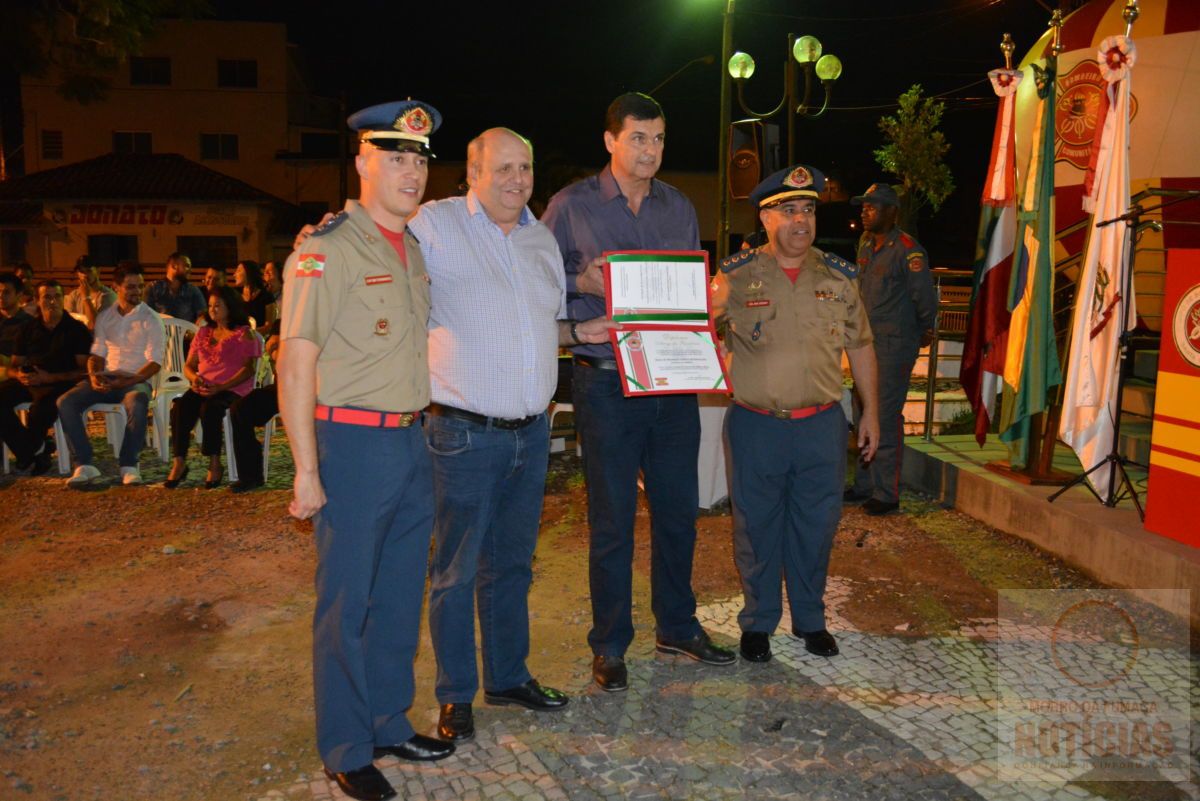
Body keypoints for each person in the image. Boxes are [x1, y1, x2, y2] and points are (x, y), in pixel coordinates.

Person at [408, 127, 615, 741]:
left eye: (524, 167)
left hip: (531, 433)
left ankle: (506, 676)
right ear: (472, 172)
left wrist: (582, 334)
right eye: (502, 168)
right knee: (456, 569)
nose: (516, 179)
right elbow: (376, 238)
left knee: (514, 567)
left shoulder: (541, 240)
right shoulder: (435, 224)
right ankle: (455, 694)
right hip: (462, 433)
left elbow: (543, 325)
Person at [277, 99, 452, 801]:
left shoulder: (411, 248)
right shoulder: (327, 248)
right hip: (349, 443)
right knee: (346, 603)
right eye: (396, 156)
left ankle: (386, 719)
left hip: (411, 441)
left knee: (399, 595)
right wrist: (307, 471)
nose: (411, 171)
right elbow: (295, 362)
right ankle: (346, 746)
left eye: (419, 159)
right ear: (362, 162)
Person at [542, 92, 735, 693]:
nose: (650, 150)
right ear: (610, 141)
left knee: (680, 512)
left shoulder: (678, 208)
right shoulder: (569, 207)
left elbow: (685, 296)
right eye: (638, 139)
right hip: (604, 383)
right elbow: (535, 286)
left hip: (671, 383)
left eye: (658, 139)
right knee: (613, 520)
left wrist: (709, 325)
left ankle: (677, 625)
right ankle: (610, 645)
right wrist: (580, 278)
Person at [710, 165, 880, 663]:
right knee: (756, 526)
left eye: (807, 209)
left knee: (816, 525)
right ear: (765, 217)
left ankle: (810, 620)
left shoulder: (839, 277)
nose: (801, 220)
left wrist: (869, 412)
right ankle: (758, 623)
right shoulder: (736, 277)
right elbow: (695, 329)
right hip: (756, 424)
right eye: (788, 211)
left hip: (822, 426)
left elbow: (863, 346)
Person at [843, 183, 936, 516]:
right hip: (865, 343)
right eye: (864, 207)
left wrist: (925, 330)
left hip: (894, 344)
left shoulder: (908, 250)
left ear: (891, 212)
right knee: (860, 409)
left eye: (872, 207)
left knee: (882, 414)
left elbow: (924, 297)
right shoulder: (867, 244)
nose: (865, 212)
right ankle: (865, 485)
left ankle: (887, 493)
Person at [58, 262, 165, 487]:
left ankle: (129, 465)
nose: (137, 292)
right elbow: (96, 354)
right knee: (65, 402)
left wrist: (128, 380)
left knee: (137, 400)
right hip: (107, 377)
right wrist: (94, 376)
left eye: (140, 286)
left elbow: (155, 362)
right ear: (116, 287)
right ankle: (84, 463)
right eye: (131, 287)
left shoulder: (150, 318)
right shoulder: (106, 317)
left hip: (135, 379)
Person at [163, 286, 261, 490]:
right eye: (210, 306)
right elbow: (189, 365)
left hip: (233, 387)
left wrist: (221, 387)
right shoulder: (204, 332)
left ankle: (214, 463)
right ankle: (179, 461)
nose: (213, 309)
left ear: (230, 307)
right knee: (181, 406)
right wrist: (194, 379)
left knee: (211, 409)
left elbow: (247, 369)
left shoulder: (243, 334)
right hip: (205, 385)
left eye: (218, 305)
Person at [0, 280, 91, 475]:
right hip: (31, 379)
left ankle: (31, 452)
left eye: (57, 296)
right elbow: (13, 366)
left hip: (61, 381)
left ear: (63, 299)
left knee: (40, 410)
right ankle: (32, 451)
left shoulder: (76, 330)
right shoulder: (28, 329)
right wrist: (20, 375)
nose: (52, 302)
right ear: (36, 300)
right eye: (47, 297)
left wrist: (51, 378)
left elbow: (84, 371)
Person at [145, 253, 207, 323]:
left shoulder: (193, 290)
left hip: (186, 332)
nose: (190, 270)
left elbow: (202, 316)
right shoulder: (153, 288)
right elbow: (146, 315)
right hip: (159, 332)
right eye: (187, 266)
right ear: (174, 266)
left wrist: (194, 330)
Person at [64, 255, 117, 329]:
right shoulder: (73, 295)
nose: (84, 275)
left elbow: (96, 326)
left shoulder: (108, 296)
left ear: (98, 271)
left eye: (89, 270)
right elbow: (66, 324)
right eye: (81, 271)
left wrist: (86, 297)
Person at [232, 260, 277, 329]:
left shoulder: (266, 297)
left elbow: (269, 326)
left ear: (248, 272)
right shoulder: (234, 295)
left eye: (238, 271)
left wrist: (252, 335)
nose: (234, 275)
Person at [0, 272, 34, 364]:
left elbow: (30, 359)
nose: (1, 296)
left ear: (19, 295)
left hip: (12, 373)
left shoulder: (29, 324)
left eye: (6, 292)